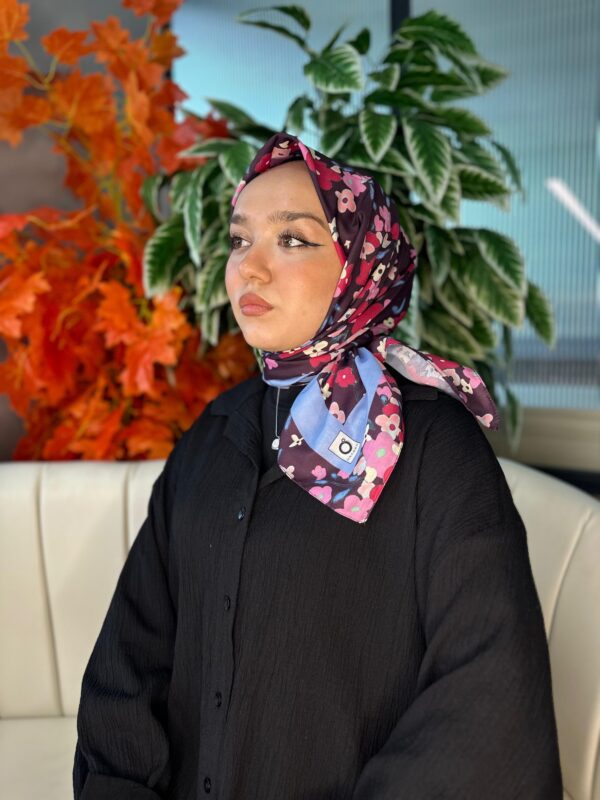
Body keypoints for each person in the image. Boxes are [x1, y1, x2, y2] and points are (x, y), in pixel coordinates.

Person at [72, 132, 563, 799]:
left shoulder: (435, 449)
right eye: (240, 239)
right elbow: (129, 663)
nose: (250, 268)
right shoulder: (213, 437)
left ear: (362, 266)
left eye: (292, 239)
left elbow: (489, 697)